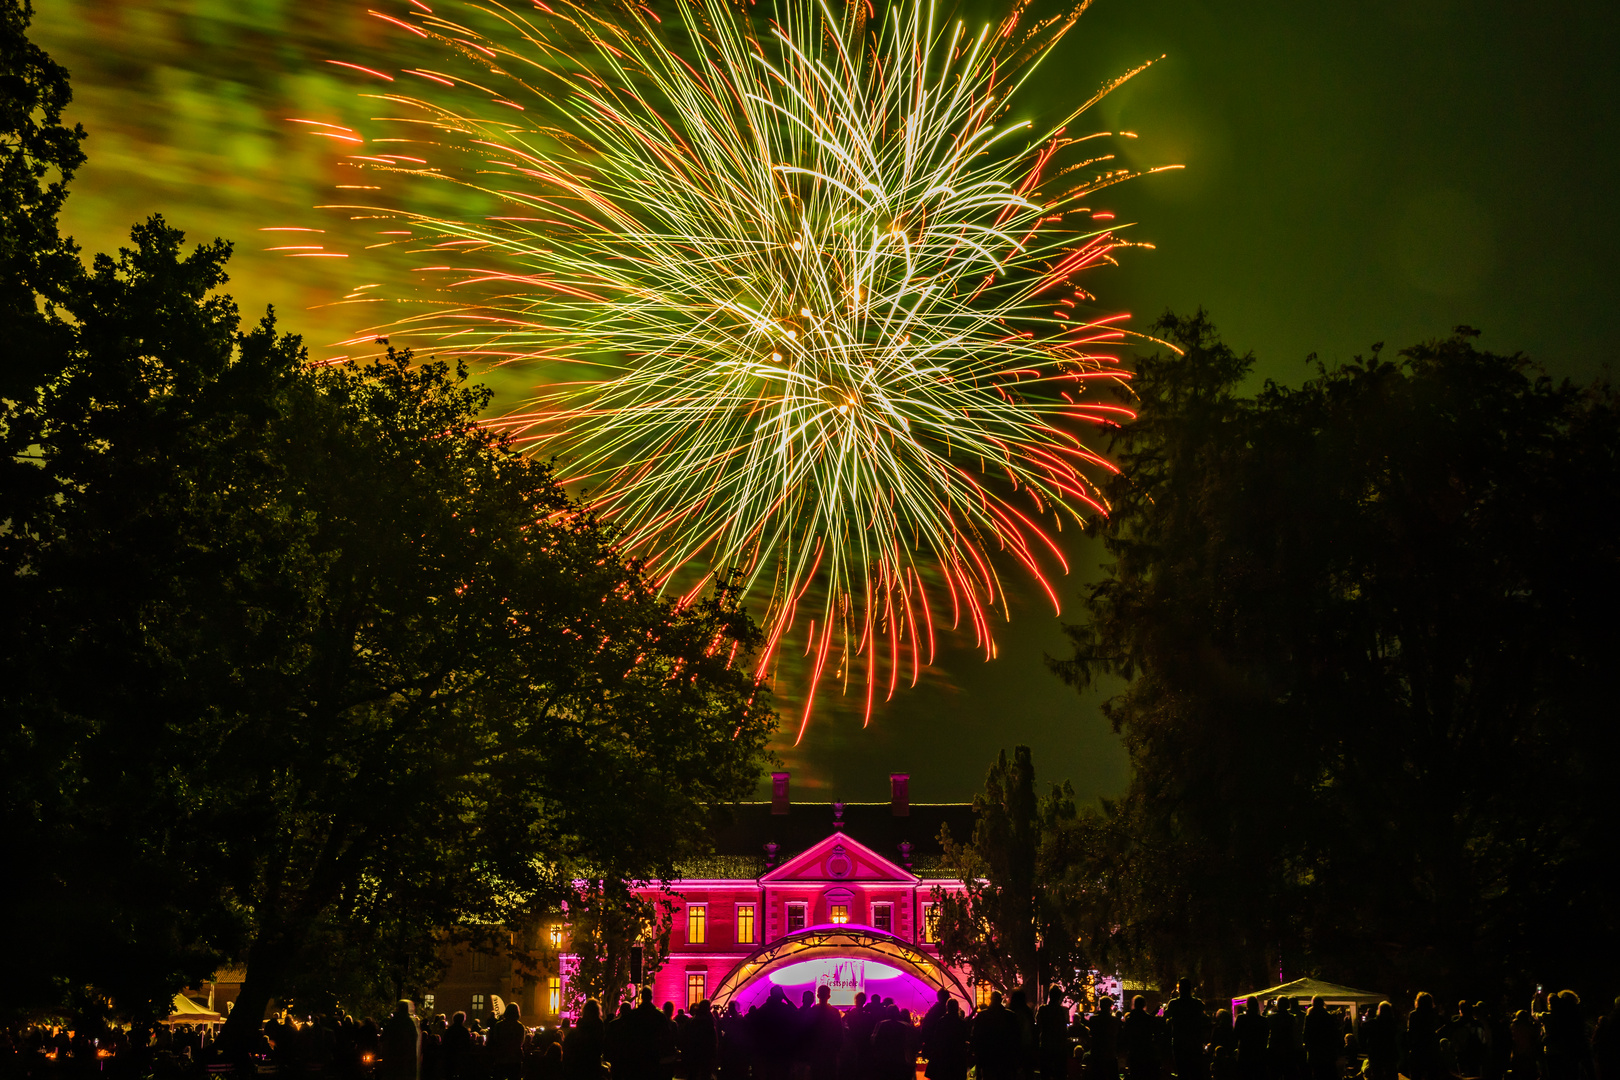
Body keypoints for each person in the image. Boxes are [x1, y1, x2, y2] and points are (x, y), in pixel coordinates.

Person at [1164, 981, 1208, 1080]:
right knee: (1195, 1071)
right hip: (1195, 1041)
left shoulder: (1174, 1003)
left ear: (1179, 989)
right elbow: (1204, 1019)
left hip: (1179, 1041)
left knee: (1182, 1070)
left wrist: (1171, 999)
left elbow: (1166, 1015)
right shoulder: (1197, 1003)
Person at [563, 1000, 604, 1080]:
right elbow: (601, 1044)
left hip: (578, 1063)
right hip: (593, 1062)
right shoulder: (598, 1025)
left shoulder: (580, 1025)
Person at [382, 1002, 423, 1080]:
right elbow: (414, 1037)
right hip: (405, 1056)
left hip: (393, 1055)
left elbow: (385, 1036)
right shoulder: (409, 1023)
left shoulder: (393, 1022)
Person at [1037, 990, 1072, 1080]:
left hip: (1046, 1044)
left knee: (1045, 1073)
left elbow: (1038, 1026)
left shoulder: (1043, 1009)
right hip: (1059, 1046)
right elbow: (1065, 1028)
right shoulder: (1063, 1010)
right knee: (1060, 1073)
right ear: (1059, 997)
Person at [1121, 998, 1157, 1080]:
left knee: (1135, 1073)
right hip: (1146, 1050)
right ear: (1144, 1005)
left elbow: (1125, 1035)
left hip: (1134, 1050)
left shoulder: (1130, 1020)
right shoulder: (1149, 1019)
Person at [1301, 998, 1337, 1080]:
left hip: (1314, 1048)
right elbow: (1333, 1033)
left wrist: (1306, 1045)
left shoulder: (1310, 1017)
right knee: (1326, 1071)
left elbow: (1306, 1033)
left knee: (1316, 1071)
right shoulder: (1329, 1017)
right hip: (1326, 1049)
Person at [683, 1001, 719, 1080]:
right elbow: (713, 1038)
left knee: (693, 1073)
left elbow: (687, 1037)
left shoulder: (692, 1020)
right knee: (705, 1074)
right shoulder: (709, 1021)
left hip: (694, 1052)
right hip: (706, 1053)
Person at [1087, 999, 1121, 1080]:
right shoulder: (1114, 1021)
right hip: (1110, 1054)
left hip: (1097, 1054)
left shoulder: (1093, 1019)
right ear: (1110, 1006)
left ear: (1100, 1006)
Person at [489, 1003, 525, 1080]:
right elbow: (521, 1042)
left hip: (501, 1057)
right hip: (515, 1058)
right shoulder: (520, 1026)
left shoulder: (499, 1025)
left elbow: (495, 1039)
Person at [1233, 999, 1266, 1080]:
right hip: (1258, 1054)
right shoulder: (1262, 1020)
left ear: (1247, 1006)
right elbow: (1265, 1037)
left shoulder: (1241, 1018)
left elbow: (1235, 1036)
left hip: (1244, 1053)